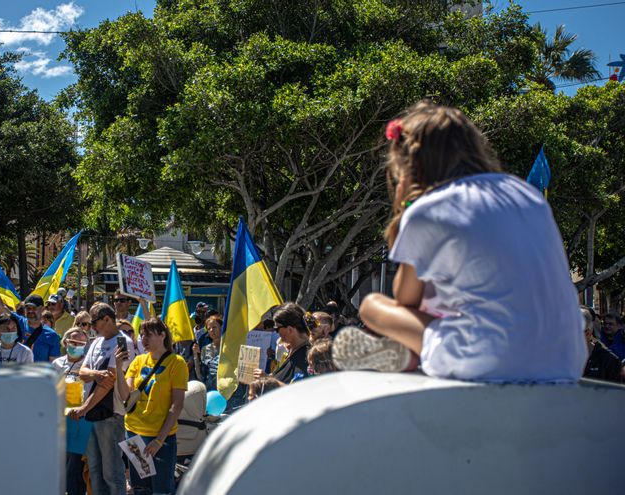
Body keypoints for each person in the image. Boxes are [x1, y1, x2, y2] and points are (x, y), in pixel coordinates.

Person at [332, 102, 587, 383]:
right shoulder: (527, 194)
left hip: (488, 359)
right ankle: (415, 351)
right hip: (566, 359)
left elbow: (405, 299)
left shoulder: (430, 208)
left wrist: (405, 205)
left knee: (372, 305)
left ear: (412, 164)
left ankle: (411, 353)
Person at [69, 303, 135, 495]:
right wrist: (96, 374)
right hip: (91, 414)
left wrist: (83, 409)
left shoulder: (123, 342)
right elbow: (82, 372)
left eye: (94, 322)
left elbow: (109, 383)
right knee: (95, 469)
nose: (92, 327)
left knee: (111, 471)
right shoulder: (97, 342)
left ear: (107, 319)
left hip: (110, 415)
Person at [119, 318, 187, 495]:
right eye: (141, 335)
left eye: (148, 335)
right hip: (135, 434)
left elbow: (177, 404)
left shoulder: (177, 363)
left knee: (161, 489)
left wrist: (159, 440)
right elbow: (125, 396)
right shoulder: (138, 360)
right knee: (142, 488)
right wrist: (118, 369)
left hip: (160, 438)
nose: (143, 339)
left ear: (162, 335)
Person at [0, 270, 61, 363]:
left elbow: (53, 363)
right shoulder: (17, 322)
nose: (30, 311)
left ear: (42, 309)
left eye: (34, 308)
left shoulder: (52, 335)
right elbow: (0, 306)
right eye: (27, 308)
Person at [52, 327, 91, 495]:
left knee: (75, 466)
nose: (76, 345)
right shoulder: (56, 364)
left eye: (80, 343)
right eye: (73, 342)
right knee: (60, 464)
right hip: (59, 422)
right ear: (65, 342)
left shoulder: (88, 365)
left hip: (79, 422)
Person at [255, 303, 312, 385]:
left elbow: (298, 390)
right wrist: (266, 376)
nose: (276, 332)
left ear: (290, 330)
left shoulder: (306, 356)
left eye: (277, 328)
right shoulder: (293, 349)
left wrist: (268, 379)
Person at [583, 307, 625, 383]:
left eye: (610, 324)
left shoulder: (622, 340)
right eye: (605, 324)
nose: (607, 326)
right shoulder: (599, 339)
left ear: (618, 325)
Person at [193, 314, 223, 390]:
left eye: (214, 327)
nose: (212, 330)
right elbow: (200, 376)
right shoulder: (205, 349)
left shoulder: (229, 347)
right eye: (209, 328)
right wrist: (196, 355)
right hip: (210, 390)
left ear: (221, 327)